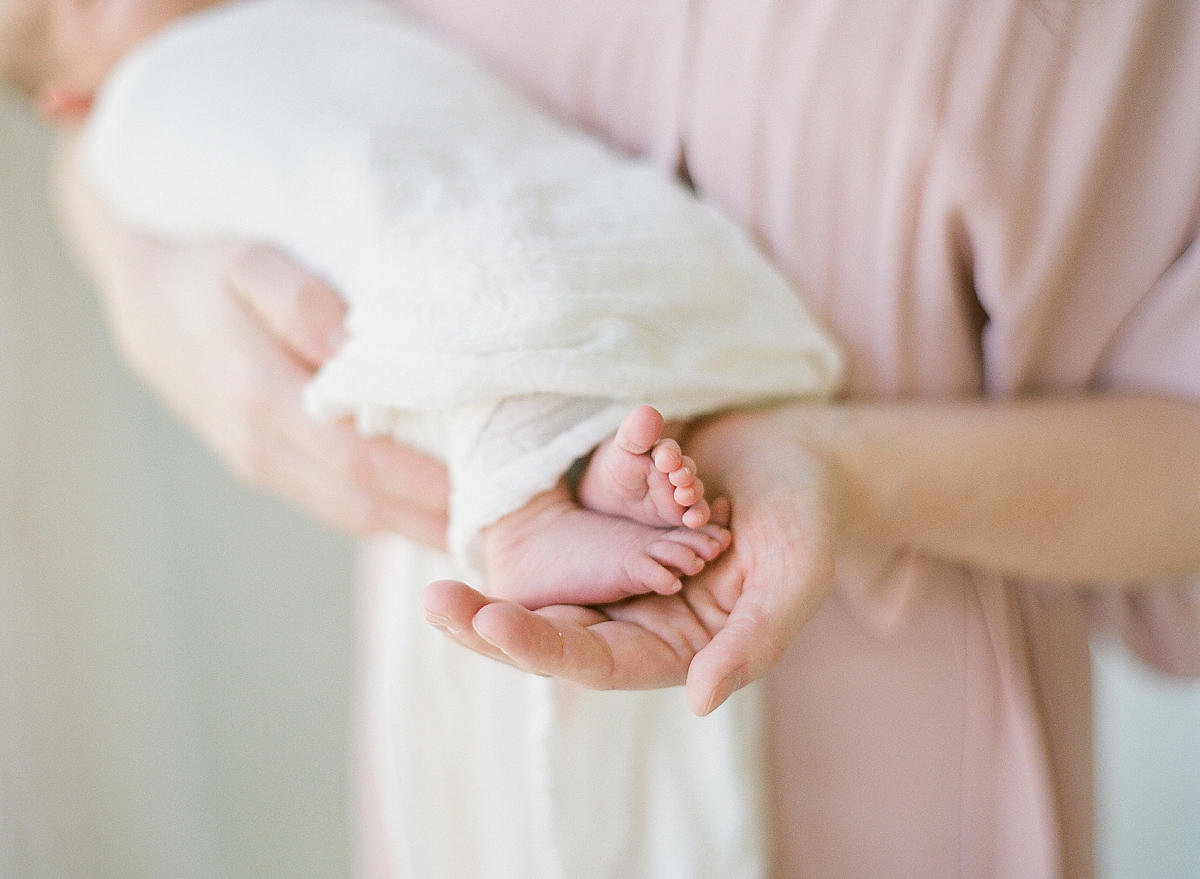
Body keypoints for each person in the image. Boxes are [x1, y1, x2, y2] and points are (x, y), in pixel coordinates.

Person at [32, 1, 1200, 878]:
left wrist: (842, 469)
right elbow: (203, 89)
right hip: (482, 687)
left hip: (887, 756)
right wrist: (137, 265)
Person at [2, 0, 843, 612]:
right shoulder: (164, 93)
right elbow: (129, 149)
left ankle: (591, 458)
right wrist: (134, 273)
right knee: (454, 269)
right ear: (72, 100)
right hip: (360, 344)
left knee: (503, 226)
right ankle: (524, 506)